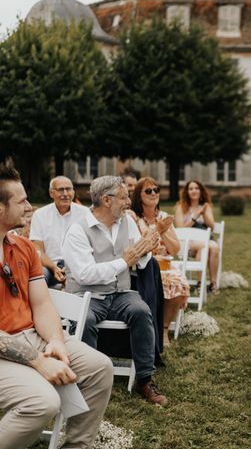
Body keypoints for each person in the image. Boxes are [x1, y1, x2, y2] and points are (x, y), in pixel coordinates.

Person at [0, 165, 113, 448]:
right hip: (4, 350)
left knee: (99, 367)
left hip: (33, 336)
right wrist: (38, 361)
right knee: (42, 402)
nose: (30, 207)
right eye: (21, 201)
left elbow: (42, 304)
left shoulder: (24, 247)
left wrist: (56, 342)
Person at [62, 175, 169, 406]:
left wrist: (146, 249)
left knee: (141, 311)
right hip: (87, 295)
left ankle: (144, 379)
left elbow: (138, 262)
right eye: (123, 197)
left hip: (121, 293)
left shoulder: (127, 222)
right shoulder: (78, 230)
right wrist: (124, 261)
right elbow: (85, 274)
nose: (128, 202)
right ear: (106, 200)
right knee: (85, 319)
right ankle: (87, 382)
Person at [131, 177, 189, 345]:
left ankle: (164, 329)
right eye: (148, 191)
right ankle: (149, 327)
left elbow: (175, 249)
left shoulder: (163, 217)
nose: (154, 193)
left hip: (165, 265)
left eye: (156, 190)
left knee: (179, 283)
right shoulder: (134, 218)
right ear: (138, 195)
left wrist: (163, 231)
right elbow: (139, 246)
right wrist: (157, 231)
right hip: (144, 265)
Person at [29, 176, 90, 287]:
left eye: (69, 189)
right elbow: (37, 249)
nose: (65, 193)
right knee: (40, 274)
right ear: (51, 193)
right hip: (49, 266)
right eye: (61, 190)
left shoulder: (85, 213)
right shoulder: (40, 215)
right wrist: (53, 267)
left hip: (78, 267)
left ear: (73, 191)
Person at [174, 180, 220, 292]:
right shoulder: (181, 207)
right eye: (191, 189)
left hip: (204, 242)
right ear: (187, 192)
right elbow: (180, 229)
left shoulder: (205, 207)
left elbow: (211, 227)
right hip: (188, 243)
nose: (194, 191)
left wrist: (204, 214)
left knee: (212, 247)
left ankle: (212, 283)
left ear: (200, 191)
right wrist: (195, 217)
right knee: (209, 246)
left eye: (196, 188)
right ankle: (201, 283)